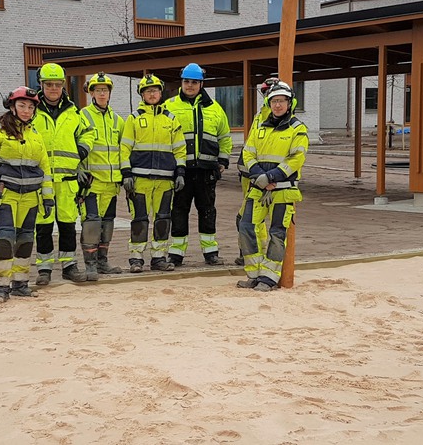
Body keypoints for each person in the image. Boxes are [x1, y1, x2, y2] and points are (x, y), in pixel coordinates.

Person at [0, 86, 53, 303]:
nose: (26, 110)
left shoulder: (36, 136)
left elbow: (45, 169)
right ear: (12, 106)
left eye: (30, 107)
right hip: (7, 195)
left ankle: (20, 284)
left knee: (25, 242)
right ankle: (0, 287)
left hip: (31, 197)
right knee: (4, 240)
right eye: (22, 106)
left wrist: (47, 197)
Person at [237, 81, 309, 292]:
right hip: (258, 188)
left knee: (277, 233)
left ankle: (269, 277)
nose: (278, 105)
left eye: (282, 101)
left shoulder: (298, 129)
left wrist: (271, 176)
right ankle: (254, 273)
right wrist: (258, 174)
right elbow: (248, 152)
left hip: (283, 190)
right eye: (274, 101)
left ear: (290, 103)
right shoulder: (260, 126)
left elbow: (297, 158)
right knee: (246, 226)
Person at [164, 62, 232, 266]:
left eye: (194, 82)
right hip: (181, 171)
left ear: (201, 84)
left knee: (207, 211)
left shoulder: (215, 108)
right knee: (178, 211)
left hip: (206, 171)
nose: (190, 85)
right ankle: (176, 254)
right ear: (181, 82)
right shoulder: (170, 105)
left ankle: (210, 253)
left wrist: (223, 161)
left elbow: (225, 137)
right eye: (186, 81)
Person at [120, 74, 186, 273]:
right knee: (140, 219)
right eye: (148, 91)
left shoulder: (171, 119)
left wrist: (180, 172)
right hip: (139, 179)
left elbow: (180, 149)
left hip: (165, 180)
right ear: (142, 94)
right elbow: (124, 149)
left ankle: (158, 257)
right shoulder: (133, 119)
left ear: (161, 92)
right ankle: (136, 258)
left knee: (163, 218)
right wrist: (126, 174)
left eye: (155, 90)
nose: (152, 94)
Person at [32, 63, 91, 285]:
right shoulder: (33, 110)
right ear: (41, 84)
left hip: (67, 180)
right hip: (42, 181)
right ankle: (44, 269)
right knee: (43, 226)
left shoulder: (73, 112)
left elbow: (88, 133)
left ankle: (69, 266)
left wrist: (83, 149)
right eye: (49, 84)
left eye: (57, 84)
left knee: (67, 225)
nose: (54, 89)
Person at [77, 72, 126, 280]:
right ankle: (90, 265)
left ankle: (102, 261)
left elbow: (124, 150)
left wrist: (125, 174)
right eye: (98, 90)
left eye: (105, 90)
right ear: (91, 93)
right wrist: (78, 169)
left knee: (107, 224)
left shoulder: (118, 120)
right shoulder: (82, 116)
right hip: (92, 183)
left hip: (112, 184)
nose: (102, 94)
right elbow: (74, 146)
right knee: (91, 223)